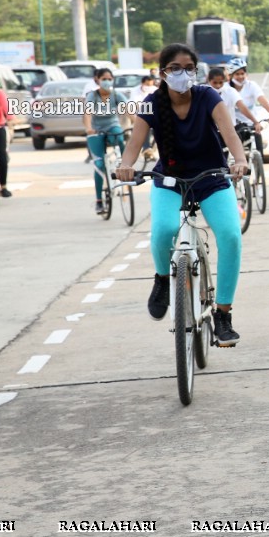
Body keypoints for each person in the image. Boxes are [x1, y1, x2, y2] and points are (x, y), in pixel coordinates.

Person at [115, 43, 249, 347]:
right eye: (175, 68)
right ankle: (163, 279)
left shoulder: (208, 96)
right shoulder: (151, 103)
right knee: (163, 231)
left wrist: (239, 160)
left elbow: (230, 133)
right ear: (163, 73)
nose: (183, 73)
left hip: (212, 177)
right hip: (170, 179)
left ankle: (223, 315)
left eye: (189, 68)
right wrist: (125, 166)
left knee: (230, 236)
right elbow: (134, 144)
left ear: (197, 70)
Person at [83, 68, 129, 215]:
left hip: (112, 125)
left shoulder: (116, 94)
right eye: (104, 78)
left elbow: (129, 110)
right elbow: (87, 113)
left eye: (110, 78)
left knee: (119, 136)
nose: (107, 81)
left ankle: (124, 164)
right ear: (97, 80)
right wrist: (89, 128)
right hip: (96, 130)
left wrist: (137, 125)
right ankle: (99, 200)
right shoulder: (92, 96)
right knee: (99, 164)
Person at [0, 85, 10, 198]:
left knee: (2, 157)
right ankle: (2, 187)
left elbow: (7, 109)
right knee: (2, 156)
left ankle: (3, 186)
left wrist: (10, 118)